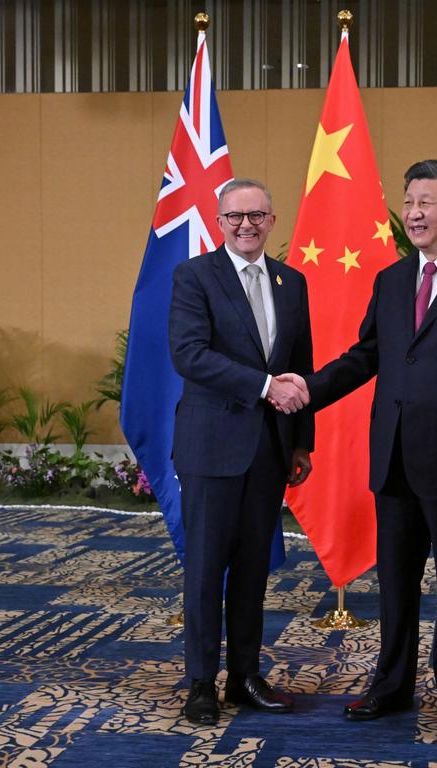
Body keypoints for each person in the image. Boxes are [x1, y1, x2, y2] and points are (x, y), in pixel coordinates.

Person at [277, 160, 437, 740]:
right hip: (394, 456)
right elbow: (367, 356)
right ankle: (390, 688)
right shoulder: (392, 280)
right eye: (409, 201)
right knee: (395, 584)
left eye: (426, 202)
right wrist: (306, 390)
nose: (413, 213)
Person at [169, 178, 314, 726]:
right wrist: (262, 387)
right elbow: (189, 355)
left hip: (270, 451)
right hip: (211, 448)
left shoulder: (291, 281)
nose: (246, 225)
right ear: (218, 221)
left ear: (273, 221)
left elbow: (301, 362)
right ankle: (201, 682)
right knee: (206, 571)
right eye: (235, 217)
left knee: (254, 571)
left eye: (257, 216)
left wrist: (301, 440)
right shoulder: (193, 277)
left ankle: (245, 677)